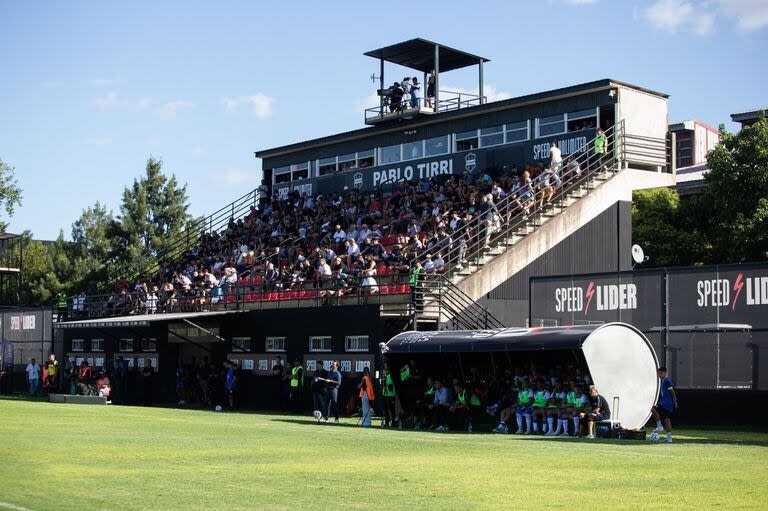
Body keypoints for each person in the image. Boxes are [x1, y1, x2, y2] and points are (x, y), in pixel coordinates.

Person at [652, 366, 678, 443]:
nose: (659, 375)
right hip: (668, 403)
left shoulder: (666, 381)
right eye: (658, 373)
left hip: (666, 403)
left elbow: (672, 391)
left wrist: (675, 401)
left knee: (653, 409)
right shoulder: (663, 381)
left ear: (665, 373)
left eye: (660, 373)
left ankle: (659, 426)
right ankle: (669, 438)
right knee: (667, 420)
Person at [381, 362, 398, 428]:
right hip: (385, 394)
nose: (385, 367)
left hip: (391, 395)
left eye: (386, 366)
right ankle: (387, 422)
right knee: (385, 409)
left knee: (391, 409)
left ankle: (394, 423)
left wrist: (387, 384)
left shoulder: (391, 375)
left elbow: (392, 385)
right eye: (385, 366)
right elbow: (382, 384)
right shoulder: (384, 375)